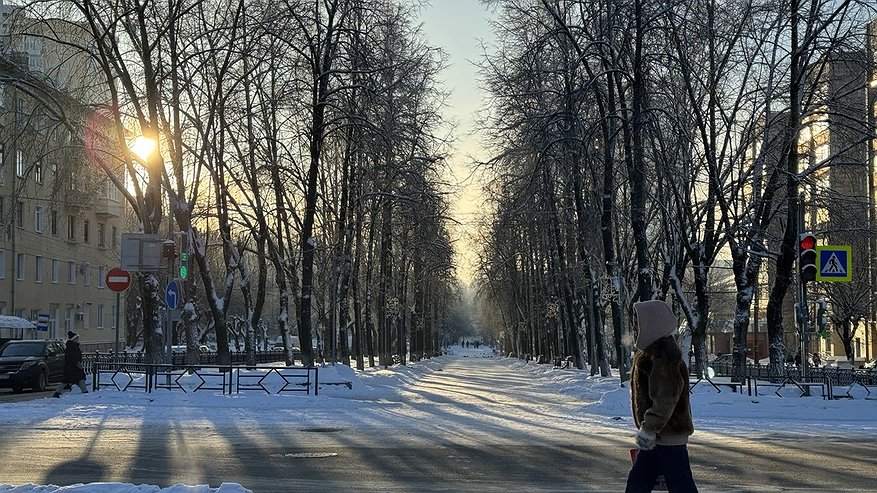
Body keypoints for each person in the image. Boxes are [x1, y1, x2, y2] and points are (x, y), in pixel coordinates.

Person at [626, 300, 697, 493]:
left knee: (678, 485)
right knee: (639, 483)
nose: (636, 328)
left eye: (639, 323)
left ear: (653, 324)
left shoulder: (663, 357)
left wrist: (649, 428)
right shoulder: (652, 354)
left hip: (667, 435)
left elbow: (665, 399)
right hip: (659, 436)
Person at [54, 331, 88, 397]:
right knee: (80, 378)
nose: (78, 340)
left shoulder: (71, 346)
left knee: (66, 380)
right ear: (73, 339)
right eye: (77, 339)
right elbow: (73, 357)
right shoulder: (73, 347)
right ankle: (85, 392)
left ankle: (57, 392)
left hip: (70, 367)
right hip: (73, 367)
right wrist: (77, 363)